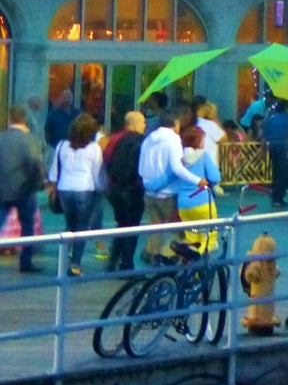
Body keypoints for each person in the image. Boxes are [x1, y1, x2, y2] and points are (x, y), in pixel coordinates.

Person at [138, 111, 207, 263]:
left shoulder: (148, 139)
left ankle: (151, 254)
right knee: (178, 230)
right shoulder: (173, 140)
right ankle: (175, 257)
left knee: (155, 228)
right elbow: (177, 167)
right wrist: (197, 180)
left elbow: (141, 167)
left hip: (149, 192)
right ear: (174, 124)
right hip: (169, 193)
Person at [47, 113, 105, 276]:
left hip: (65, 189)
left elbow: (54, 171)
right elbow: (97, 173)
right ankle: (75, 264)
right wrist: (102, 188)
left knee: (69, 225)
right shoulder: (94, 148)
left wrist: (52, 185)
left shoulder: (62, 145)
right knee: (81, 228)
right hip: (85, 189)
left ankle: (64, 257)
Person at [0, 107, 45, 273]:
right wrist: (37, 184)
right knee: (27, 226)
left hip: (2, 188)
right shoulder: (29, 140)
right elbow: (35, 164)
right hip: (24, 190)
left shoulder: (2, 138)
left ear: (10, 119)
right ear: (24, 119)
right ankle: (25, 262)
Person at [102, 112, 147, 271]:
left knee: (122, 224)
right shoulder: (139, 141)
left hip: (114, 188)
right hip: (131, 189)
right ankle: (126, 264)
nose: (144, 126)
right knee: (132, 227)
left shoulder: (114, 139)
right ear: (134, 125)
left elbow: (106, 160)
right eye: (142, 123)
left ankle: (113, 260)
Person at [175, 126, 222, 253]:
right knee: (208, 240)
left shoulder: (178, 159)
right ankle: (199, 268)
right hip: (203, 202)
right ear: (197, 141)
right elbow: (215, 177)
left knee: (191, 241)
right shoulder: (203, 156)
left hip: (183, 205)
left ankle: (190, 269)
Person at [261, 101, 288, 209]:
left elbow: (264, 137)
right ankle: (279, 198)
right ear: (287, 107)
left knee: (275, 173)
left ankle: (275, 197)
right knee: (284, 174)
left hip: (272, 148)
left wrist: (263, 151)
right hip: (285, 148)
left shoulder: (270, 120)